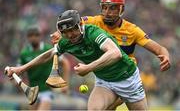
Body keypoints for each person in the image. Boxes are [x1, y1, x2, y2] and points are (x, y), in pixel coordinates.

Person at [6, 10, 148, 110]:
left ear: (80, 24)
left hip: (128, 79)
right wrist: (21, 68)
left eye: (73, 29)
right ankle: (116, 100)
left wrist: (88, 68)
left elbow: (115, 53)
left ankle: (121, 99)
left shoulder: (93, 33)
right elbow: (48, 55)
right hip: (105, 82)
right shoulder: (66, 41)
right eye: (65, 32)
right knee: (94, 109)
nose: (70, 35)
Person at [51, 0, 171, 109]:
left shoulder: (132, 30)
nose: (107, 13)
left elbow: (159, 49)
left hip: (126, 77)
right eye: (104, 8)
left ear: (121, 9)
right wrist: (58, 34)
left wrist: (165, 56)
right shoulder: (93, 21)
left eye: (112, 8)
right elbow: (70, 22)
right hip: (105, 77)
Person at [17, 26, 54, 110]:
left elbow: (65, 63)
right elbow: (19, 70)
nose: (33, 38)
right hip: (32, 90)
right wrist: (20, 81)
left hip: (46, 90)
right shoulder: (24, 53)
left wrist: (65, 83)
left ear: (40, 36)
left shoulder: (48, 49)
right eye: (30, 35)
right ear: (27, 37)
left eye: (36, 35)